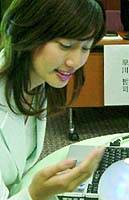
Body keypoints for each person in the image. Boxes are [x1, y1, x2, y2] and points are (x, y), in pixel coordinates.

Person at [0, 0, 106, 200]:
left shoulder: (35, 82)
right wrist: (35, 194)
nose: (75, 62)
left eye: (86, 48)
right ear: (31, 32)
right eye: (66, 45)